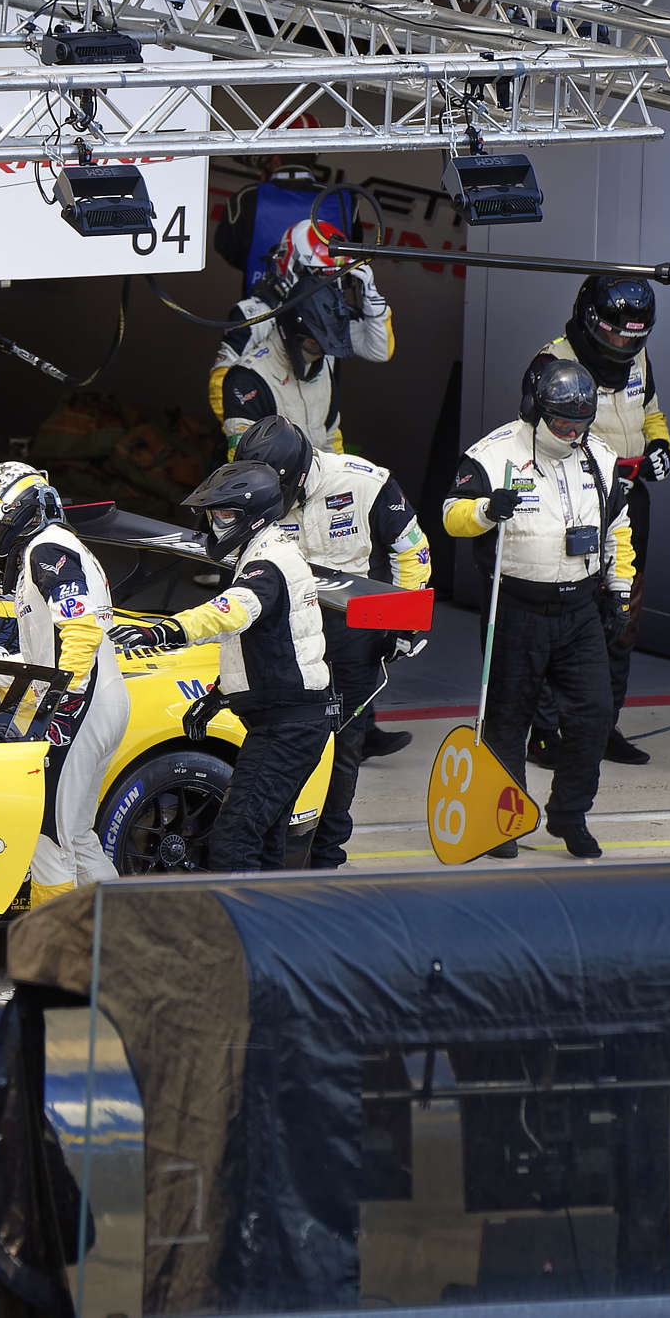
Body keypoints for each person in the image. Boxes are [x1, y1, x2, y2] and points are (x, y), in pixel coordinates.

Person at [444, 356, 633, 859]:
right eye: (561, 421)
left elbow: (618, 528)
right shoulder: (493, 454)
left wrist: (620, 590)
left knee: (595, 715)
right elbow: (450, 517)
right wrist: (486, 509)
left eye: (580, 421)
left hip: (579, 609)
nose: (571, 431)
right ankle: (504, 820)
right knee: (509, 721)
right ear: (536, 409)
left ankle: (570, 814)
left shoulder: (601, 457)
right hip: (516, 607)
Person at [232, 414, 430, 869]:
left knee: (342, 746)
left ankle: (326, 854)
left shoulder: (366, 482)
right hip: (282, 630)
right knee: (276, 740)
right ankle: (274, 847)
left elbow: (412, 549)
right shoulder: (249, 487)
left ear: (297, 474)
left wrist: (407, 621)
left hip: (350, 635)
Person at [149, 461, 332, 872]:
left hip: (288, 727)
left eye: (226, 515)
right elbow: (260, 646)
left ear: (257, 514)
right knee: (265, 842)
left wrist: (168, 631)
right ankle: (268, 928)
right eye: (213, 515)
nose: (216, 525)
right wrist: (218, 696)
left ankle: (240, 931)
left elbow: (231, 614)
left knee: (235, 840)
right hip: (291, 720)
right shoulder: (266, 552)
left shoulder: (264, 565)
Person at [0, 461, 126, 898]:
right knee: (75, 836)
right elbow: (56, 646)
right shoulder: (58, 546)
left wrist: (63, 699)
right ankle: (119, 938)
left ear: (6, 511)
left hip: (82, 704)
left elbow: (82, 629)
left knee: (47, 838)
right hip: (102, 697)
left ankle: (54, 959)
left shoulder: (46, 548)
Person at [537, 275, 670, 767]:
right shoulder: (551, 364)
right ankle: (546, 731)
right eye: (616, 334)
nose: (624, 344)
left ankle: (602, 728)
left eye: (634, 336)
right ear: (592, 321)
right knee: (565, 618)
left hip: (630, 504)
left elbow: (652, 415)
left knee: (622, 616)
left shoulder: (638, 359)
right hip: (573, 506)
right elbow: (535, 443)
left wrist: (661, 449)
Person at [210, 219, 393, 452]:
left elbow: (379, 350)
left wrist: (373, 297)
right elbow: (223, 385)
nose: (333, 285)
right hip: (259, 453)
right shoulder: (253, 313)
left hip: (313, 450)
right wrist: (248, 439)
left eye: (337, 276)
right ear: (296, 268)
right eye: (324, 276)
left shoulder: (331, 314)